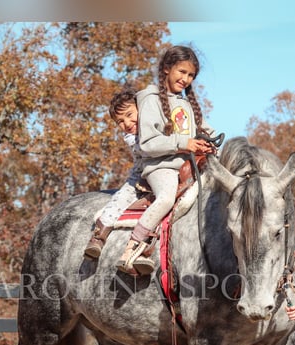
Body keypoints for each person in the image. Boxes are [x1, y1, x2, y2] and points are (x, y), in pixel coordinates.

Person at [116, 44, 217, 276]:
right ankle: (133, 246)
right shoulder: (149, 100)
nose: (186, 79)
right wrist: (185, 143)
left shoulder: (186, 104)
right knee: (166, 198)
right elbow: (149, 143)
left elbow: (203, 129)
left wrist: (213, 143)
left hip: (187, 167)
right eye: (181, 72)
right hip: (160, 167)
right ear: (166, 69)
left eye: (190, 75)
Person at [83, 87, 145, 263]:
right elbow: (149, 151)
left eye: (129, 114)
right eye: (120, 121)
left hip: (161, 171)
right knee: (119, 200)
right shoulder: (131, 138)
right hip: (141, 176)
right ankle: (99, 236)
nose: (126, 122)